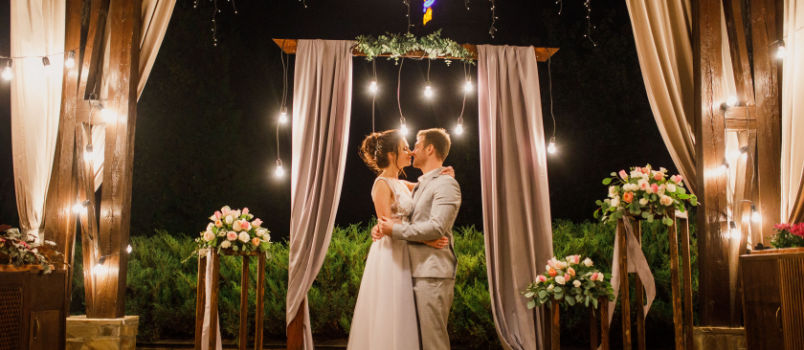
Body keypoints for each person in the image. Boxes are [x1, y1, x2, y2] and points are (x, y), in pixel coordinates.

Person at [347, 129, 452, 350]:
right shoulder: (381, 184)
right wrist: (425, 239)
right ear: (393, 154)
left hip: (406, 252)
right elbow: (387, 225)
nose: (410, 152)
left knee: (406, 313)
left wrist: (444, 174)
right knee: (391, 309)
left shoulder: (402, 184)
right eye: (404, 148)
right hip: (390, 254)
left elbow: (427, 186)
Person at [375, 128, 462, 350]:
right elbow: (389, 218)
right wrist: (381, 228)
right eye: (407, 147)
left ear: (430, 148)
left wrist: (392, 230)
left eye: (415, 144)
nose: (412, 151)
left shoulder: (445, 184)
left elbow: (436, 228)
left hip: (431, 273)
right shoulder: (421, 184)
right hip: (406, 270)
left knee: (433, 342)